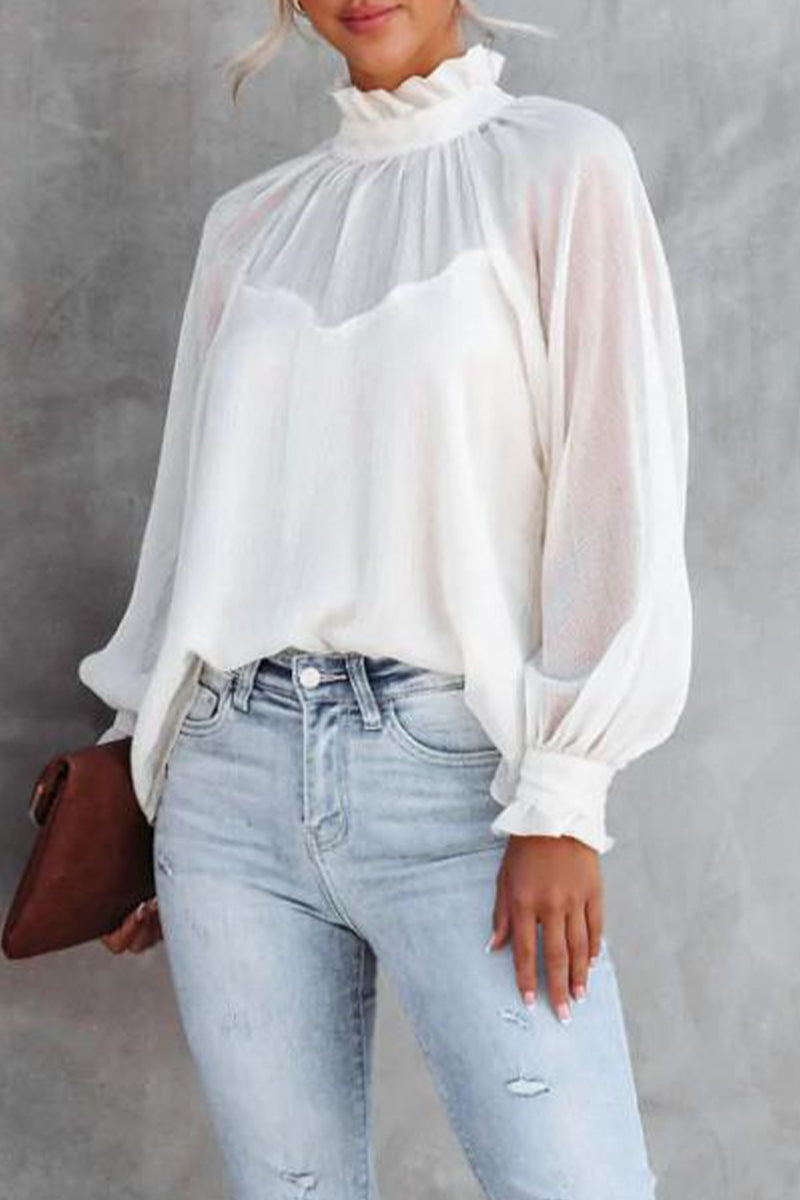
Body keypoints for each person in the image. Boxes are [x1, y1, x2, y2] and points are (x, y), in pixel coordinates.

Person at [86, 1, 692, 1196]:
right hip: (226, 790)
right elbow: (191, 520)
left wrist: (563, 796)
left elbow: (614, 487)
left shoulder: (561, 163)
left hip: (460, 782)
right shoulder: (248, 224)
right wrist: (135, 770)